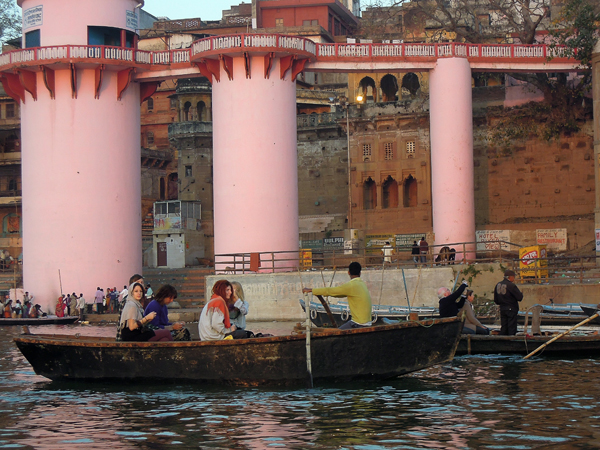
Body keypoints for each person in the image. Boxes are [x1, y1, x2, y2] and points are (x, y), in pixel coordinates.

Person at [303, 262, 372, 330]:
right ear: (360, 273)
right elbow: (337, 293)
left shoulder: (351, 285)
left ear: (348, 273)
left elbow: (331, 291)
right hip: (368, 323)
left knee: (337, 333)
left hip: (358, 324)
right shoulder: (362, 284)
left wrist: (312, 290)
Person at [494, 269, 524, 335]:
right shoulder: (511, 285)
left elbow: (496, 300)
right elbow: (519, 297)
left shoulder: (498, 285)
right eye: (513, 277)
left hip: (502, 308)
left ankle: (503, 341)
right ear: (510, 277)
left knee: (504, 326)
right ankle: (511, 342)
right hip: (511, 309)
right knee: (512, 327)